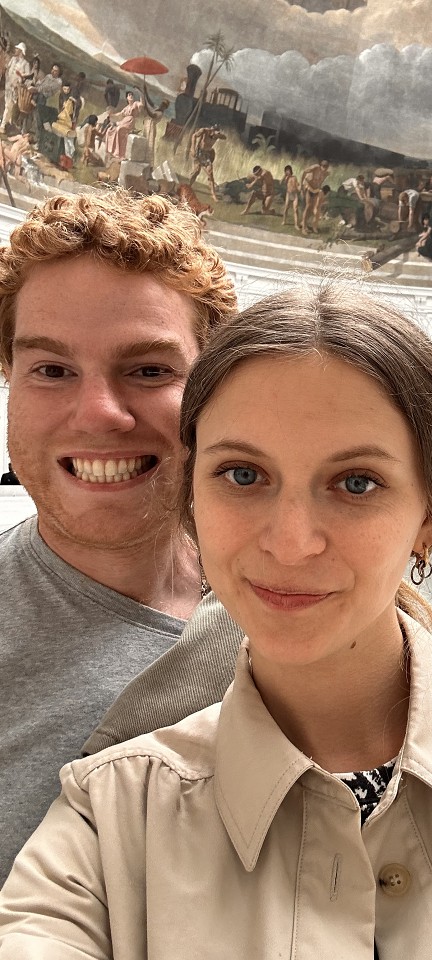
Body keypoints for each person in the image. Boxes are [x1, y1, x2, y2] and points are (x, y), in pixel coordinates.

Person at [1, 281, 432, 956]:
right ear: (192, 497)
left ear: (431, 516)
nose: (291, 542)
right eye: (243, 475)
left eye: (356, 483)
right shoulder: (107, 819)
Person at [0, 191, 241, 882]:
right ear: (9, 379)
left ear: (214, 388)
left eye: (149, 370)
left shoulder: (305, 605)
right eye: (52, 370)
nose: (99, 413)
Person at [188, 124, 226, 202]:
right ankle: (188, 186)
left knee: (210, 172)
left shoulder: (217, 136)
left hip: (206, 154)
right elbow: (194, 136)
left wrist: (219, 135)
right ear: (212, 130)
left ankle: (213, 195)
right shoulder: (205, 131)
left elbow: (224, 137)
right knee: (196, 171)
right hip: (199, 152)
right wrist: (192, 148)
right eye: (214, 131)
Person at [104, 89, 143, 161]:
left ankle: (120, 154)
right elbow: (120, 114)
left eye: (132, 95)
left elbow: (141, 104)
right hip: (124, 121)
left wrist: (141, 94)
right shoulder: (126, 107)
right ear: (127, 98)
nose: (131, 96)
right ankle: (111, 151)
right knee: (110, 130)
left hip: (130, 122)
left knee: (119, 129)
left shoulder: (135, 103)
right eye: (129, 95)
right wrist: (112, 115)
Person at [300, 159, 330, 235]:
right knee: (308, 206)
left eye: (326, 167)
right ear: (320, 165)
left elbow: (320, 182)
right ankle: (303, 228)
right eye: (323, 166)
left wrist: (318, 190)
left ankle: (304, 223)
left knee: (312, 208)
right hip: (308, 187)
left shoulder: (326, 173)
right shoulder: (315, 167)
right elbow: (304, 171)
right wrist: (301, 185)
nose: (324, 168)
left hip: (315, 189)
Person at [281, 164, 300, 228]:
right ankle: (284, 221)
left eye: (288, 170)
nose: (288, 172)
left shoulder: (294, 177)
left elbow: (297, 185)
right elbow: (281, 182)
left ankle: (296, 224)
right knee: (286, 208)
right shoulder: (286, 178)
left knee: (295, 209)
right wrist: (285, 176)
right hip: (288, 194)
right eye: (286, 171)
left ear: (291, 171)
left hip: (295, 194)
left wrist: (299, 188)